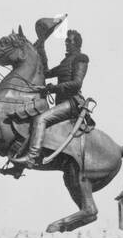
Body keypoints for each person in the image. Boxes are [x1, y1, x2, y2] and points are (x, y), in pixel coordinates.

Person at [10, 28, 90, 169]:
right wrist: (41, 48)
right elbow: (46, 73)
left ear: (76, 43)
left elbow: (77, 84)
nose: (66, 43)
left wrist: (51, 88)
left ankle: (31, 157)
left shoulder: (81, 58)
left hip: (72, 104)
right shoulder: (66, 61)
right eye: (66, 40)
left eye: (69, 40)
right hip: (62, 103)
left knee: (41, 119)